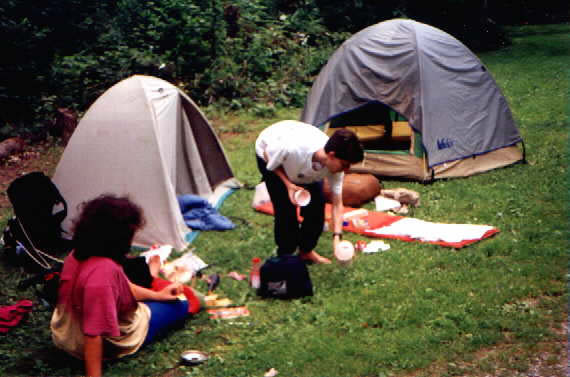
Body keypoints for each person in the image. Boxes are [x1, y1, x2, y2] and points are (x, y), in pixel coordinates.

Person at [50, 194, 199, 377]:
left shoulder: (77, 254)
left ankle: (153, 300)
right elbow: (93, 334)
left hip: (65, 333)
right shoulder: (103, 274)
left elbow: (124, 287)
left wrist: (159, 296)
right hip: (95, 343)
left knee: (160, 298)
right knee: (182, 303)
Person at [255, 120, 364, 264]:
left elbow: (337, 204)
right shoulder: (293, 148)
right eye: (344, 165)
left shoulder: (335, 167)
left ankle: (306, 252)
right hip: (269, 153)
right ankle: (286, 255)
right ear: (331, 155)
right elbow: (267, 155)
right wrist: (288, 185)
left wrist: (337, 238)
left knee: (317, 209)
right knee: (286, 211)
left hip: (299, 163)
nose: (346, 170)